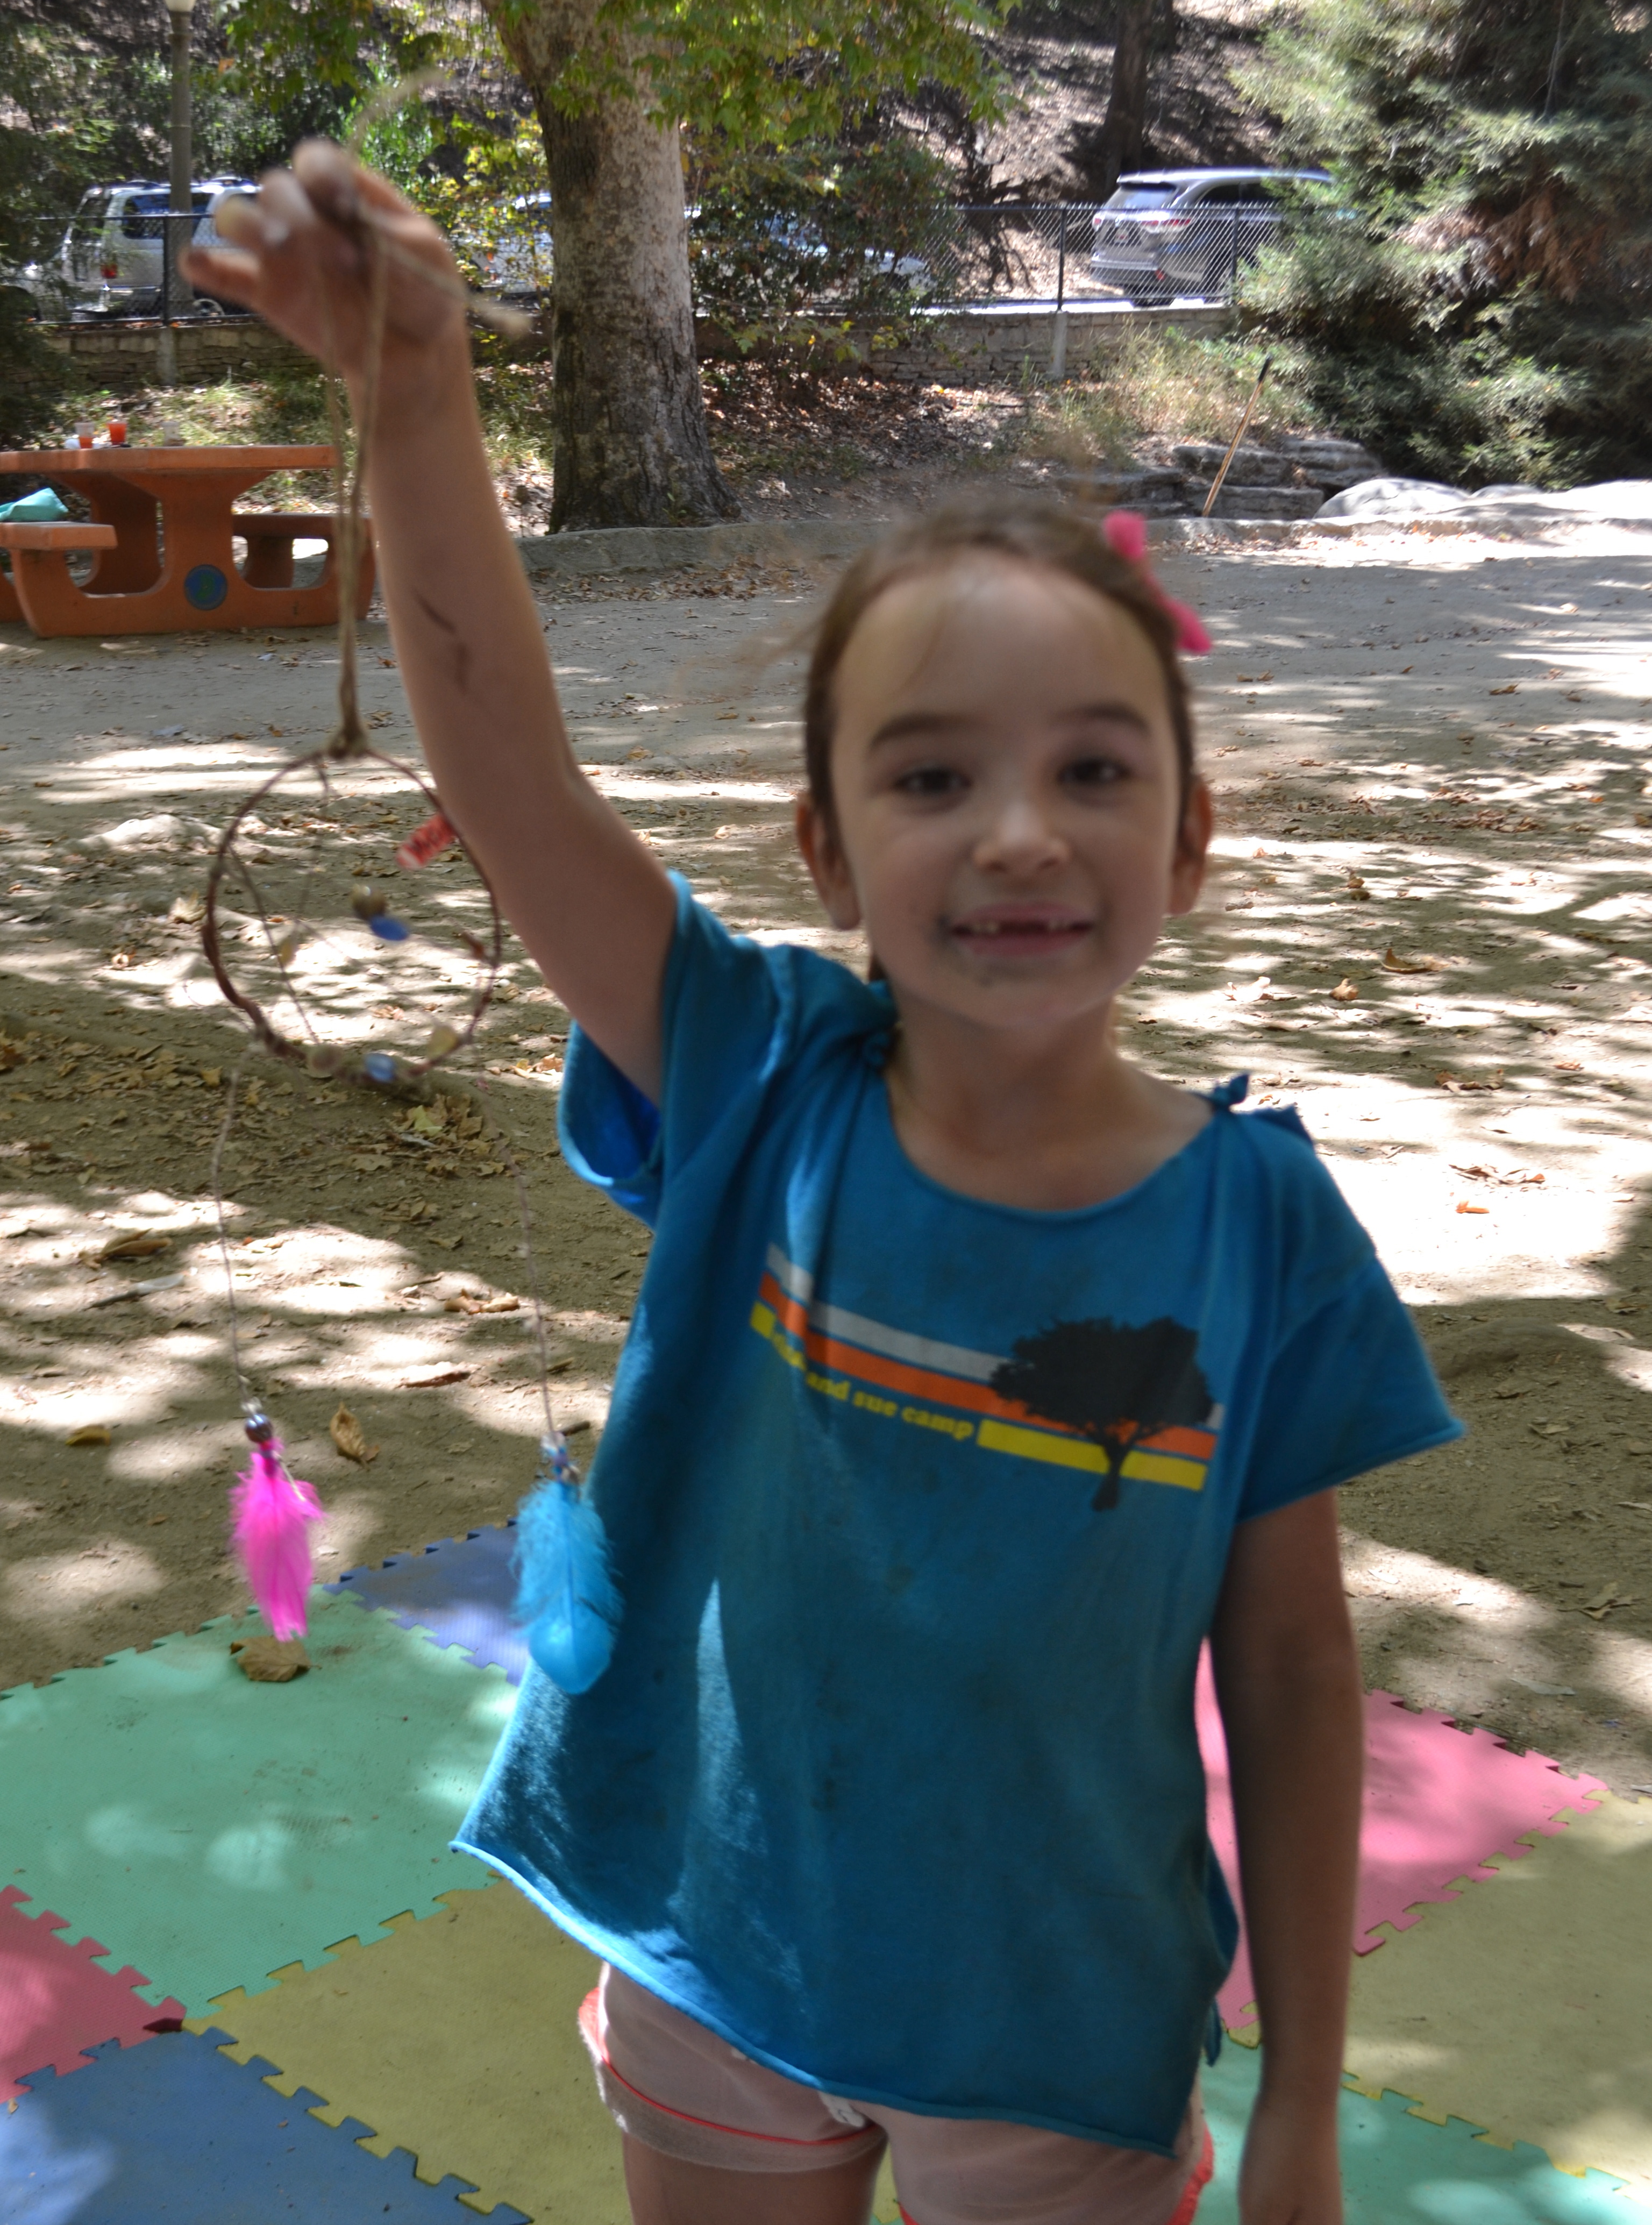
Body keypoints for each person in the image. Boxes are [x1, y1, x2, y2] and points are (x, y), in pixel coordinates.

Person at [186, 148, 1460, 2225]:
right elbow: (511, 777)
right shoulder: (754, 1069)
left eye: (1094, 768)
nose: (1020, 832)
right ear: (831, 851)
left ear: (1189, 840)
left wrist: (1308, 2092)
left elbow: (1299, 1676)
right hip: (717, 1958)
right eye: (933, 774)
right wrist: (417, 397)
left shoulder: (1262, 1231)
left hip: (1060, 2024)